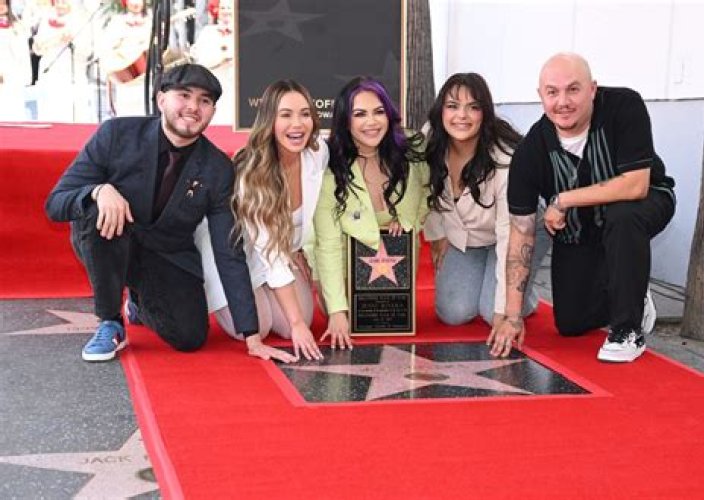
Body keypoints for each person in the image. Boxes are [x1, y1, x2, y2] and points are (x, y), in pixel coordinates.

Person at [45, 63, 295, 363]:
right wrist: (98, 191)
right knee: (97, 209)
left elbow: (228, 249)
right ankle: (110, 321)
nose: (193, 107)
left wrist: (251, 336)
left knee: (190, 337)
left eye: (204, 101)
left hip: (167, 254)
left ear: (213, 111)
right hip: (112, 238)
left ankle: (139, 302)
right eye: (184, 95)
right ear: (161, 99)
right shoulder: (117, 134)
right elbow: (56, 204)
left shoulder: (217, 167)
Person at [489, 53, 675, 363]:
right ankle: (631, 288)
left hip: (644, 203)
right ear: (540, 95)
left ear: (592, 89)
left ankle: (627, 330)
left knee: (623, 214)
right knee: (571, 323)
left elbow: (636, 185)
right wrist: (512, 316)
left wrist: (563, 199)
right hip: (581, 229)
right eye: (552, 92)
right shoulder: (530, 152)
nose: (563, 102)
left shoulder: (624, 106)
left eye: (573, 89)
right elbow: (521, 233)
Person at [195, 79, 325, 361]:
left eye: (304, 114)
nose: (297, 124)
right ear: (269, 121)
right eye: (286, 115)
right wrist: (297, 324)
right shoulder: (253, 174)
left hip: (277, 249)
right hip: (235, 254)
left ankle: (272, 292)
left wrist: (298, 251)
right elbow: (270, 253)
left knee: (295, 322)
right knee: (261, 326)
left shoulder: (317, 154)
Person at [423, 72, 551, 330]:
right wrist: (437, 234)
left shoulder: (505, 160)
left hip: (518, 230)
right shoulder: (430, 140)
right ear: (441, 111)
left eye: (473, 107)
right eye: (453, 106)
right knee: (453, 313)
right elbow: (424, 188)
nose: (462, 116)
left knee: (494, 313)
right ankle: (488, 277)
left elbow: (508, 234)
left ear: (485, 113)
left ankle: (525, 296)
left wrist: (508, 311)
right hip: (472, 238)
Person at [314, 76, 428, 350]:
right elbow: (328, 244)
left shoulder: (413, 149)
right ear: (345, 120)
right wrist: (337, 310)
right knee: (345, 315)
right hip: (343, 265)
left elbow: (428, 193)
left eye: (378, 112)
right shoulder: (329, 167)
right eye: (360, 114)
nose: (372, 122)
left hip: (396, 271)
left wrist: (409, 220)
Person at [0, 0, 32, 120]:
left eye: (3, 3)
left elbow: (22, 53)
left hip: (12, 75)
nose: (1, 7)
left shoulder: (17, 26)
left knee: (13, 111)